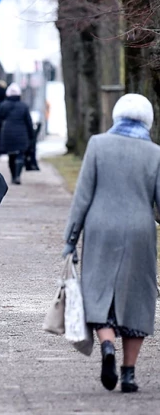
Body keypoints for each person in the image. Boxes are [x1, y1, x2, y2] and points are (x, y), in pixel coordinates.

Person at [62, 93, 160, 393]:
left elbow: (82, 197)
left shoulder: (97, 145)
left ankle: (107, 347)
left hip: (100, 230)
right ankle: (129, 373)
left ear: (116, 116)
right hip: (140, 232)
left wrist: (70, 240)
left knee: (98, 293)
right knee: (138, 299)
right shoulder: (155, 153)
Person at [0, 83, 34, 184]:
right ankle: (17, 176)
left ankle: (13, 176)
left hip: (7, 132)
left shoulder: (4, 105)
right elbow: (29, 122)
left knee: (11, 155)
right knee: (20, 155)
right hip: (22, 132)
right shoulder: (23, 106)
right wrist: (31, 135)